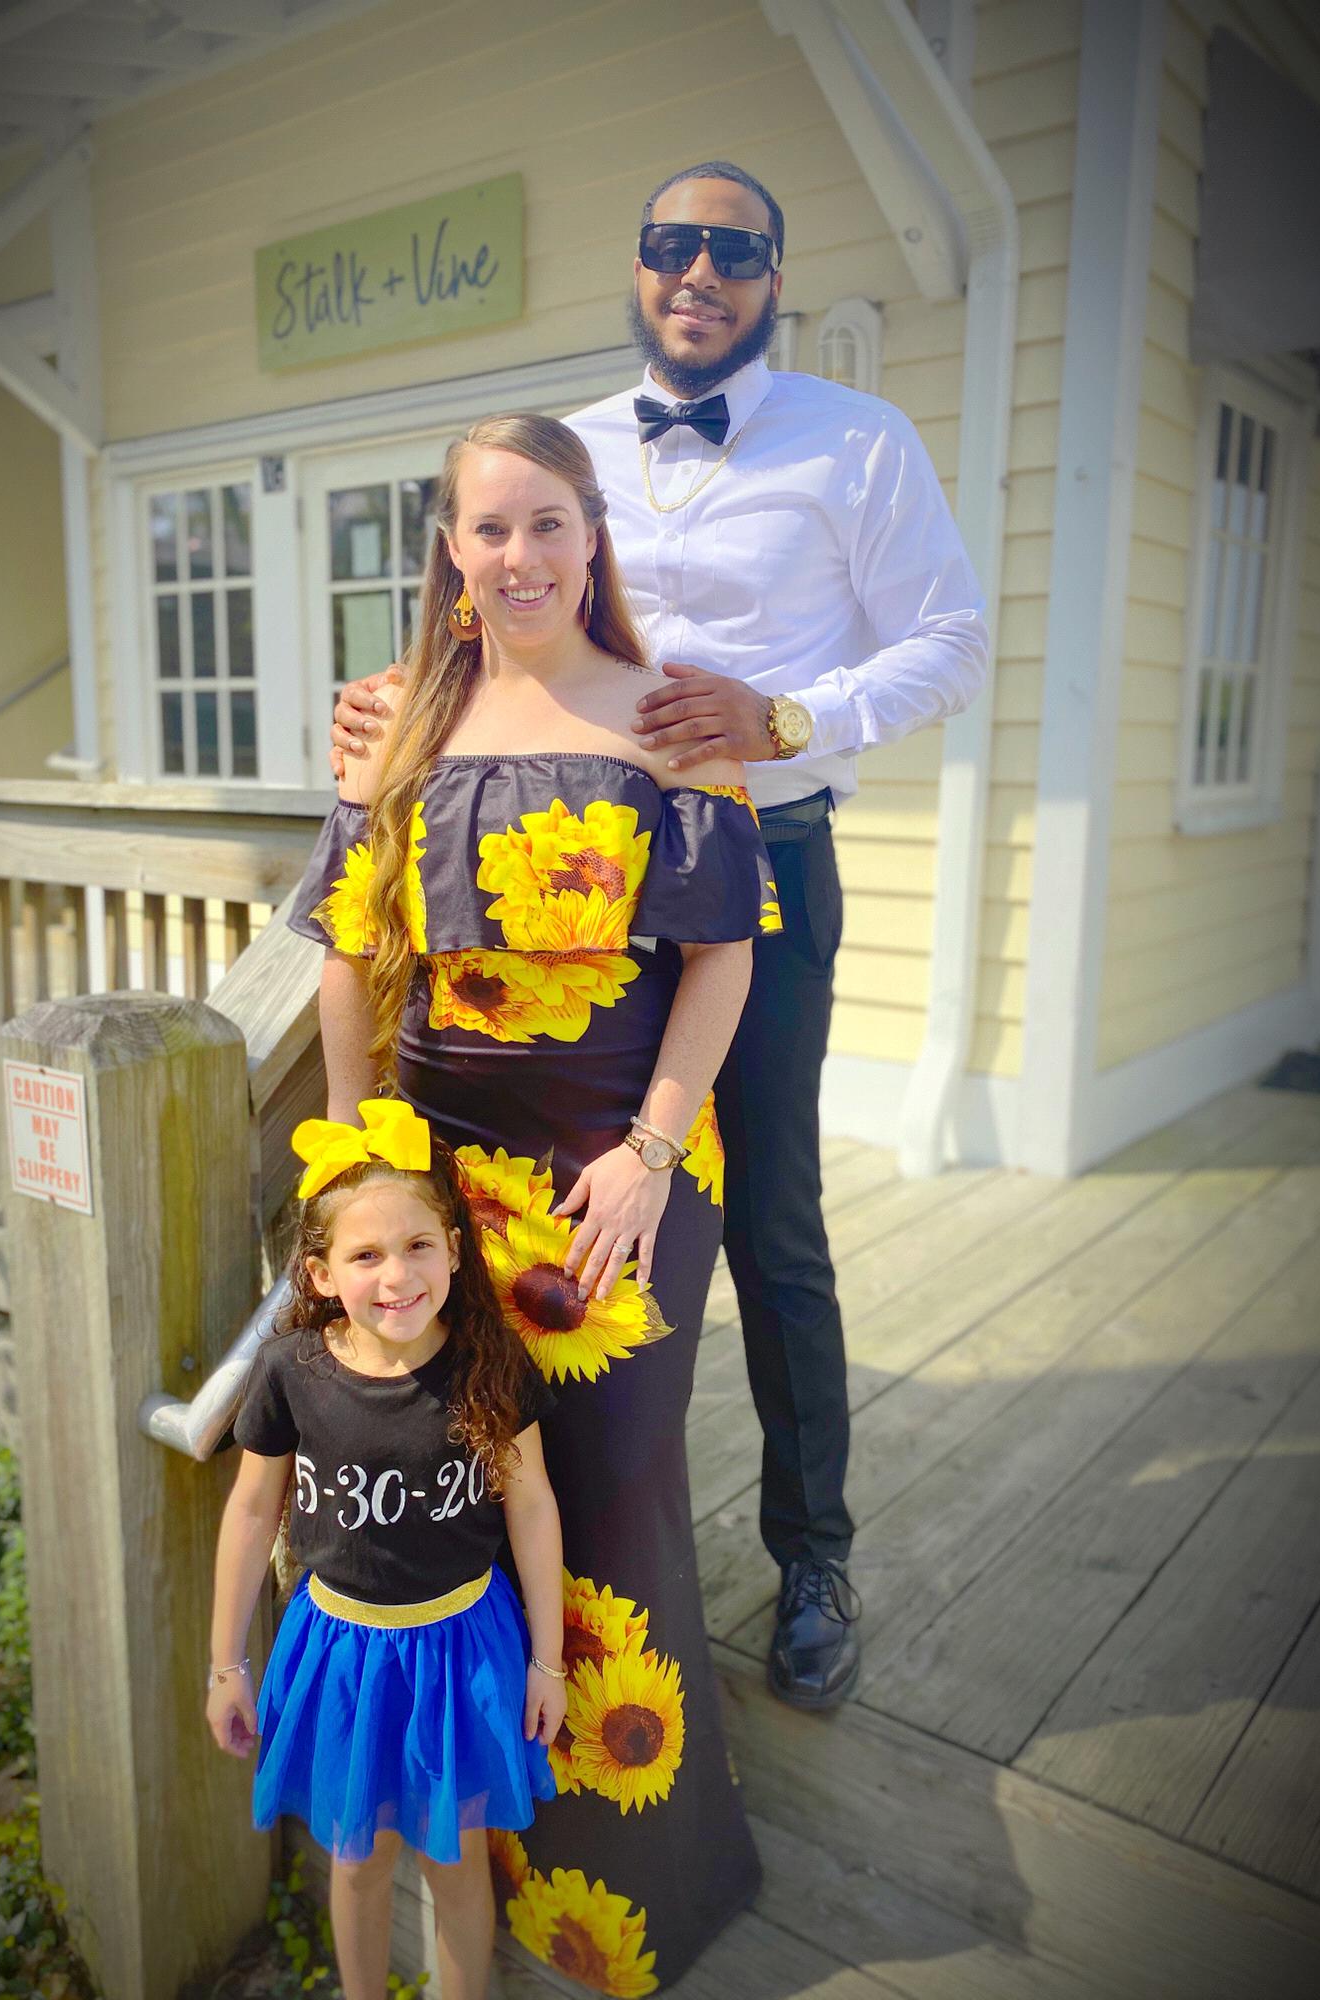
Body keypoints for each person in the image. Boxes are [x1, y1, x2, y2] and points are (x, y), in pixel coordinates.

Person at [333, 161, 989, 1714]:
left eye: (735, 250)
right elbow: (503, 597)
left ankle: (810, 1555)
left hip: (756, 868)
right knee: (519, 1241)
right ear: (637, 266)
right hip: (555, 889)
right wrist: (400, 701)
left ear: (775, 278)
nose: (701, 271)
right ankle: (514, 1571)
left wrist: (789, 717)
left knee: (767, 1225)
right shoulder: (568, 450)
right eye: (672, 244)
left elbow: (954, 641)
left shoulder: (857, 440)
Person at [290, 411, 776, 1989]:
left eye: (549, 522)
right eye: (489, 528)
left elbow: (723, 958)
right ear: (450, 549)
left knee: (614, 1496)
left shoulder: (673, 714)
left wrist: (649, 1150)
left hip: (622, 1172)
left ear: (593, 534)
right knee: (470, 1499)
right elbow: (351, 956)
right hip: (440, 1182)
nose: (520, 556)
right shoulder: (395, 723)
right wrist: (361, 1161)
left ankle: (629, 1888)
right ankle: (478, 1865)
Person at [206, 1100, 565, 2000]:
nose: (397, 1275)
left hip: (463, 1648)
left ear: (454, 1250)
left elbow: (532, 1508)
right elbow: (251, 1513)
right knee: (357, 1858)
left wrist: (549, 1663)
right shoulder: (291, 1371)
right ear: (321, 1274)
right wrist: (226, 1666)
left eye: (417, 1247)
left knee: (457, 1862)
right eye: (365, 1256)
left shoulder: (488, 1363)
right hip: (341, 1652)